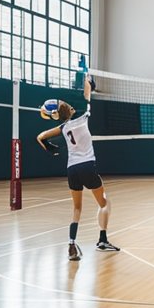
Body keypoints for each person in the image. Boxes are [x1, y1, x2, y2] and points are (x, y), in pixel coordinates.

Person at [36, 75, 118, 261]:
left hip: (72, 170)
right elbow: (87, 91)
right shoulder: (83, 116)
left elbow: (40, 136)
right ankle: (102, 240)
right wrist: (89, 79)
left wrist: (51, 149)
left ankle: (71, 244)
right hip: (88, 167)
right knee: (104, 203)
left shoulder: (63, 128)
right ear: (69, 110)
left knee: (77, 209)